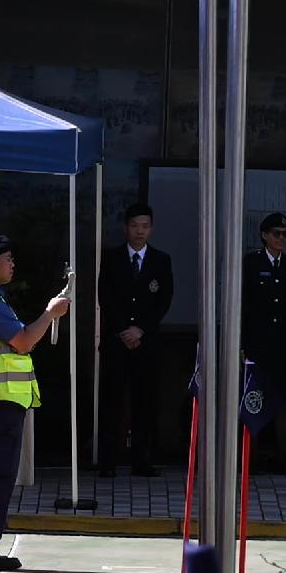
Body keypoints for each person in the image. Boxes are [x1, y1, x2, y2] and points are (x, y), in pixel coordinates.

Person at [0, 231, 73, 570]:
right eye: (6, 258)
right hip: (0, 400)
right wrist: (50, 314)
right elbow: (23, 341)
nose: (12, 264)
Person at [99, 201, 174, 472]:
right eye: (134, 226)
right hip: (116, 341)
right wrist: (123, 329)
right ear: (126, 228)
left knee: (145, 400)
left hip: (146, 342)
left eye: (144, 226)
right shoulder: (110, 258)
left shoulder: (161, 260)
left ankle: (142, 460)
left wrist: (140, 328)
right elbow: (105, 297)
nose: (139, 231)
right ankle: (107, 460)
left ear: (151, 229)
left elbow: (164, 300)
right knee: (112, 401)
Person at [241, 212, 286, 465]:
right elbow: (244, 306)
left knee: (284, 399)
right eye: (276, 234)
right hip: (257, 343)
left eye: (285, 234)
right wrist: (242, 345)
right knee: (254, 399)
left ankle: (282, 455)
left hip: (284, 343)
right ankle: (252, 458)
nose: (281, 239)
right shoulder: (251, 262)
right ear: (264, 235)